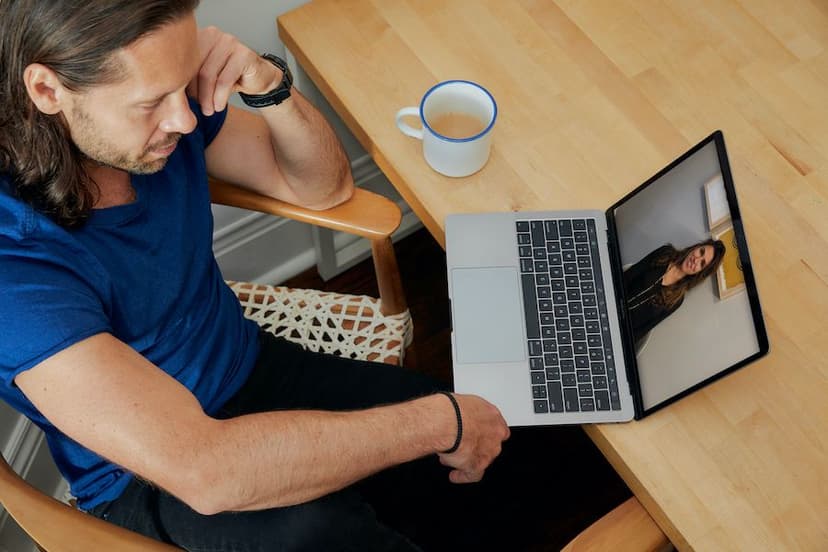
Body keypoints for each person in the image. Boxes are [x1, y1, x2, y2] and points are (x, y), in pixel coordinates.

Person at [0, 2, 513, 550]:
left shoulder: (164, 115)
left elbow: (325, 189)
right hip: (147, 472)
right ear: (48, 91)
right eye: (151, 102)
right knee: (330, 527)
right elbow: (207, 471)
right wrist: (441, 421)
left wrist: (270, 87)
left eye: (183, 84)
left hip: (245, 361)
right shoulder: (17, 265)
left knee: (468, 450)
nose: (185, 120)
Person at [622, 239, 726, 345]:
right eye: (701, 252)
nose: (696, 260)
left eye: (702, 263)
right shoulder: (665, 253)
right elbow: (628, 276)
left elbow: (644, 329)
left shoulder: (677, 299)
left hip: (622, 330)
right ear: (696, 247)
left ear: (700, 272)